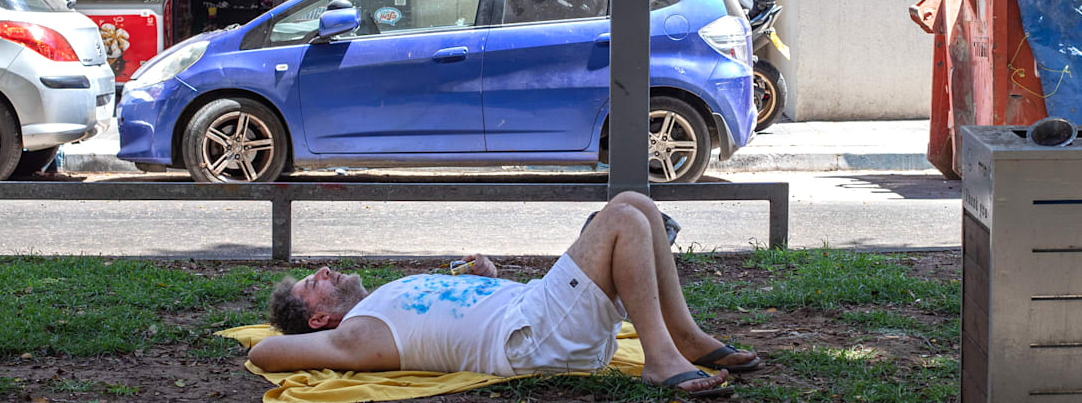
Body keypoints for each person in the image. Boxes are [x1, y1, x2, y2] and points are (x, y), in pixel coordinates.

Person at [251, 192, 760, 398]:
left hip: (534, 314)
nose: (323, 271)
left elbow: (456, 321)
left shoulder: (379, 302)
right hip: (532, 339)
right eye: (312, 284)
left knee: (637, 204)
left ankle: (685, 338)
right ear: (317, 320)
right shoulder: (355, 336)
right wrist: (287, 341)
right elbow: (264, 350)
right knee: (623, 219)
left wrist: (485, 279)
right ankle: (660, 360)